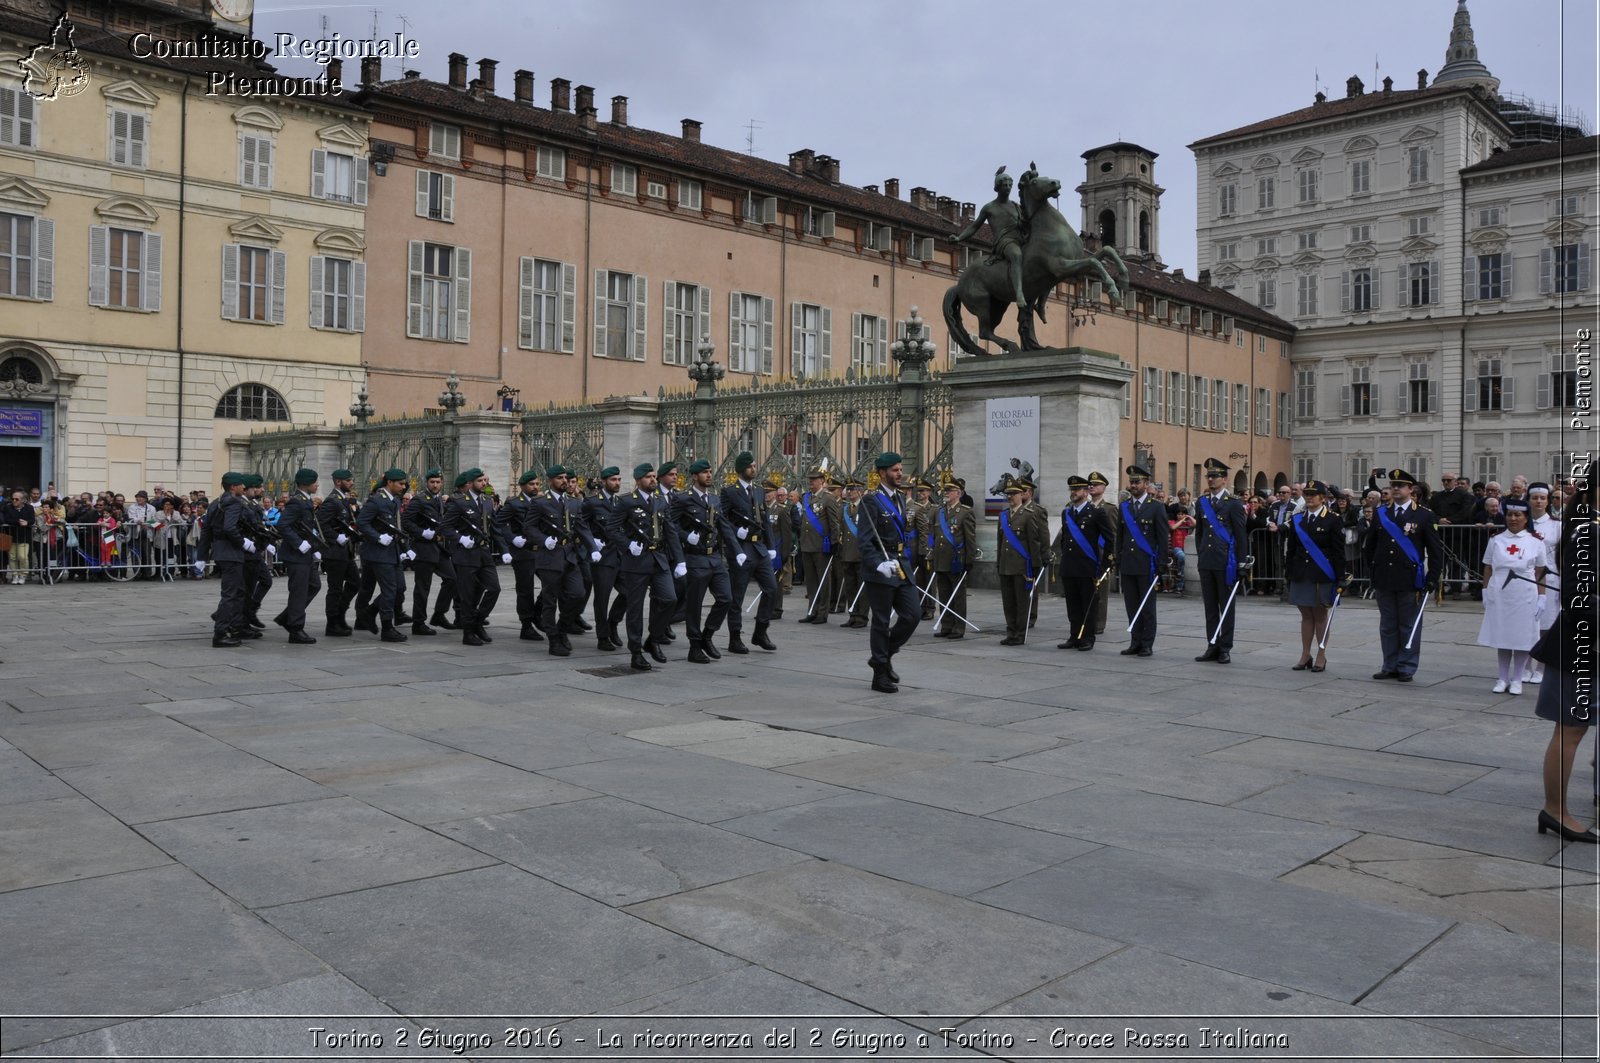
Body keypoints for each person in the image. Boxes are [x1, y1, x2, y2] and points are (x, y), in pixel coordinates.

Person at [1530, 478, 1596, 843]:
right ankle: (1555, 810)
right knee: (1569, 731)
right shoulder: (1587, 531)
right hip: (1580, 646)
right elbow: (1577, 598)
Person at [1363, 467, 1444, 682]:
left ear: (1411, 489)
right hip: (1385, 577)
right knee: (1388, 625)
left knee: (1408, 624)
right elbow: (1370, 546)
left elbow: (1436, 551)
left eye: (1401, 486)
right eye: (1393, 485)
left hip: (1410, 579)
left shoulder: (1424, 515)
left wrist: (1433, 577)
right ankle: (1389, 664)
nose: (1396, 489)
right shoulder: (1381, 513)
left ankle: (1406, 666)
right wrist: (1372, 571)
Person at [856, 452, 920, 692]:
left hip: (901, 565)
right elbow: (864, 541)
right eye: (894, 470)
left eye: (900, 469)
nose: (899, 473)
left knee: (912, 615)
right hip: (881, 567)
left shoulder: (901, 498)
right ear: (882, 473)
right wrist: (877, 564)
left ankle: (884, 654)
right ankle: (879, 673)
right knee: (881, 621)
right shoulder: (870, 500)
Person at [611, 463, 684, 671]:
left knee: (670, 599)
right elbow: (612, 528)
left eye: (654, 476)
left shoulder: (660, 501)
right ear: (638, 480)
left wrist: (680, 560)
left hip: (659, 559)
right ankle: (636, 652)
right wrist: (627, 545)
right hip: (636, 562)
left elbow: (670, 531)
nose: (652, 480)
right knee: (635, 609)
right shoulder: (626, 501)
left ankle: (653, 639)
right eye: (648, 477)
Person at [1478, 498, 1546, 694]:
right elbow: (1488, 567)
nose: (1513, 518)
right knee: (1503, 636)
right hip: (1500, 591)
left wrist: (1542, 597)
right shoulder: (1496, 540)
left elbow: (1540, 571)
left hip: (1525, 593)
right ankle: (1502, 678)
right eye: (1509, 515)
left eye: (1518, 515)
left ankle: (1517, 679)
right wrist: (1484, 590)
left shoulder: (1535, 542)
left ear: (1526, 518)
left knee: (1522, 637)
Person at [675, 459, 735, 663]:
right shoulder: (683, 499)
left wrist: (736, 551)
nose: (709, 475)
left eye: (710, 472)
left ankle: (707, 636)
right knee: (694, 605)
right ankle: (694, 646)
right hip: (695, 557)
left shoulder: (715, 500)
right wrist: (685, 536)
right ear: (694, 476)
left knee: (726, 598)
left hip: (715, 558)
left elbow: (724, 527)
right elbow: (670, 525)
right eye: (704, 472)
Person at [526, 465, 589, 657]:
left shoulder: (574, 502)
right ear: (551, 481)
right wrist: (544, 540)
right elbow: (528, 528)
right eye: (560, 478)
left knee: (578, 594)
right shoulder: (540, 502)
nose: (564, 481)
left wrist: (593, 548)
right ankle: (554, 639)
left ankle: (562, 628)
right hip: (549, 558)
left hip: (569, 557)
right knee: (550, 600)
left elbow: (582, 527)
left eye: (566, 478)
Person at [1284, 480, 1345, 672]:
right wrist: (1289, 572)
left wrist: (1340, 576)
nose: (1309, 497)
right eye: (1307, 494)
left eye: (1314, 494)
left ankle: (1321, 654)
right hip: (1301, 572)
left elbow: (1338, 552)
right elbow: (1292, 549)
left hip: (1322, 574)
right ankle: (1305, 653)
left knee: (1320, 615)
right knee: (1305, 615)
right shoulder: (1297, 519)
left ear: (1323, 498)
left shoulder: (1333, 519)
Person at [721, 451, 779, 653]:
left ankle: (760, 632)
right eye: (750, 466)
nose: (754, 469)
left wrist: (771, 546)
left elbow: (765, 521)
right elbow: (723, 520)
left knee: (771, 588)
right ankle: (734, 638)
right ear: (741, 469)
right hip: (741, 550)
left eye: (755, 466)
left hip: (759, 548)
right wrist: (737, 531)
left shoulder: (759, 491)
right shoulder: (729, 492)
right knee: (737, 596)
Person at [1195, 458, 1249, 664]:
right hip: (1207, 561)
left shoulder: (1233, 504)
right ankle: (1212, 644)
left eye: (1214, 476)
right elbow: (1200, 533)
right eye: (1208, 476)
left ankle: (1225, 647)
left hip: (1226, 562)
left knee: (1226, 607)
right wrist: (1201, 553)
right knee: (1210, 607)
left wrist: (1242, 563)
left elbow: (1241, 535)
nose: (1210, 480)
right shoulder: (1202, 503)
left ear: (1224, 480)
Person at [447, 468, 505, 648]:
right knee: (468, 595)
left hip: (484, 553)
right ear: (470, 483)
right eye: (480, 481)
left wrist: (505, 550)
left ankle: (478, 621)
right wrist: (461, 538)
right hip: (465, 555)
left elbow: (494, 528)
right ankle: (468, 632)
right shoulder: (458, 502)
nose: (484, 484)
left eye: (485, 480)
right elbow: (445, 527)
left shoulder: (487, 501)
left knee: (494, 588)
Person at [1117, 465, 1169, 657]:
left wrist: (1162, 562)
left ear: (1146, 484)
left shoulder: (1156, 507)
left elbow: (1163, 537)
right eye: (1131, 482)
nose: (1133, 485)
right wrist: (1118, 558)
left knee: (1147, 606)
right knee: (1131, 605)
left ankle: (1147, 643)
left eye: (1137, 482)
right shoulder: (1125, 507)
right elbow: (1120, 536)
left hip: (1147, 564)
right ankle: (1135, 641)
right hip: (1129, 563)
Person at [1055, 474, 1112, 651]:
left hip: (1088, 566)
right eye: (1072, 489)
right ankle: (1074, 636)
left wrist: (1105, 564)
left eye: (1077, 489)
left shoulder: (1096, 512)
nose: (1074, 492)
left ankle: (1087, 637)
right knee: (1072, 604)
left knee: (1088, 604)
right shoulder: (1067, 513)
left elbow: (1109, 539)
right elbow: (1064, 539)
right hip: (1070, 566)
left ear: (1086, 491)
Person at [356, 468, 412, 643]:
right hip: (378, 553)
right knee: (389, 590)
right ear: (390, 482)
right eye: (400, 483)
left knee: (400, 588)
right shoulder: (376, 501)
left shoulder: (394, 500)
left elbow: (396, 526)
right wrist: (378, 537)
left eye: (404, 483)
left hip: (392, 552)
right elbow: (362, 523)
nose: (403, 487)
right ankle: (387, 628)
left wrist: (405, 548)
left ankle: (369, 612)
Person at [269, 468, 324, 644]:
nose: (317, 484)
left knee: (314, 585)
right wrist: (299, 543)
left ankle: (288, 616)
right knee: (299, 591)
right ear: (306, 483)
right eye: (315, 481)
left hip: (305, 553)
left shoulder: (304, 500)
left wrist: (313, 546)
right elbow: (283, 525)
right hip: (296, 555)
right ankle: (295, 629)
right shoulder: (296, 502)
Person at [402, 469, 457, 636]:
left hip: (438, 547)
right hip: (424, 548)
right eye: (432, 482)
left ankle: (439, 614)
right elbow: (406, 521)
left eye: (438, 482)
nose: (435, 485)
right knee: (422, 587)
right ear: (427, 482)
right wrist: (421, 532)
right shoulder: (419, 500)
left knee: (452, 579)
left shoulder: (439, 499)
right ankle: (418, 623)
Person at [496, 469, 547, 643]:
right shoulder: (514, 504)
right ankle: (526, 625)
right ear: (523, 486)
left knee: (552, 583)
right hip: (523, 552)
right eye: (531, 484)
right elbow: (498, 523)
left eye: (537, 484)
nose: (535, 487)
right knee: (525, 590)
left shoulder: (542, 502)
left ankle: (538, 614)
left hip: (541, 550)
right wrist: (512, 538)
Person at [995, 481, 1046, 645]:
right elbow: (1000, 542)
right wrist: (998, 563)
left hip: (1022, 567)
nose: (1010, 497)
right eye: (1008, 494)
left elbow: (1034, 542)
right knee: (1008, 602)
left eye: (1014, 494)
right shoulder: (1003, 516)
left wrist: (1035, 565)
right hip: (1005, 566)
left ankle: (1019, 634)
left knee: (1022, 602)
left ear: (1021, 495)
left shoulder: (1029, 515)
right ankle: (1010, 631)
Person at [206, 472, 251, 647]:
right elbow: (230, 528)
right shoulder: (233, 502)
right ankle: (220, 633)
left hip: (221, 551)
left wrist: (203, 555)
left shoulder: (216, 503)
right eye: (242, 485)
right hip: (231, 553)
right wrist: (244, 543)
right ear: (233, 487)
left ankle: (230, 624)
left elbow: (207, 530)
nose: (244, 488)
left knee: (235, 592)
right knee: (230, 595)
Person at [316, 469, 362, 637]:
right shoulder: (332, 501)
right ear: (338, 482)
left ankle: (340, 614)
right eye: (348, 480)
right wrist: (336, 537)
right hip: (334, 553)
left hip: (345, 552)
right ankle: (332, 623)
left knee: (355, 583)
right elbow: (320, 524)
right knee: (335, 589)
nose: (351, 483)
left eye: (351, 480)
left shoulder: (342, 500)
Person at [1524, 483, 1561, 686]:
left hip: (1550, 578)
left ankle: (1541, 667)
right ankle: (1525, 665)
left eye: (1542, 498)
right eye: (1535, 497)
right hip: (1527, 579)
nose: (1538, 501)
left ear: (1547, 501)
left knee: (1545, 625)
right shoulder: (1522, 522)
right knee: (1527, 625)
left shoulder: (1556, 525)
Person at [930, 477, 976, 639]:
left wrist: (969, 560)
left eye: (949, 491)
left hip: (956, 560)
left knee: (958, 595)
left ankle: (958, 627)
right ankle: (946, 625)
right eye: (946, 490)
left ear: (958, 493)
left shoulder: (965, 512)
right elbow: (933, 535)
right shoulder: (939, 511)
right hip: (941, 559)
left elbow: (970, 538)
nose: (946, 493)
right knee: (943, 594)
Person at [796, 467, 842, 624]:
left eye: (814, 480)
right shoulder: (806, 497)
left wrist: (835, 542)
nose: (811, 482)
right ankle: (812, 610)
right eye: (810, 480)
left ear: (822, 481)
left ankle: (822, 612)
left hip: (822, 545)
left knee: (823, 581)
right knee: (811, 582)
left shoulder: (828, 498)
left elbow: (834, 523)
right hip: (807, 544)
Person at [1087, 470, 1118, 635]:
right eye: (1090, 484)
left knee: (1101, 593)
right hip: (1087, 555)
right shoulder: (1084, 507)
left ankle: (1098, 624)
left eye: (1096, 484)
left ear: (1104, 488)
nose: (1091, 487)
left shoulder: (1109, 509)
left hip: (1101, 555)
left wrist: (1110, 557)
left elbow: (1112, 535)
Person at [836, 479, 867, 627]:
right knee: (850, 586)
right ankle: (852, 614)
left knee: (862, 587)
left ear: (860, 491)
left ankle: (862, 616)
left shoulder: (866, 508)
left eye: (852, 489)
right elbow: (841, 529)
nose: (849, 492)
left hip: (861, 554)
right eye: (847, 490)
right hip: (847, 552)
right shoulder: (845, 509)